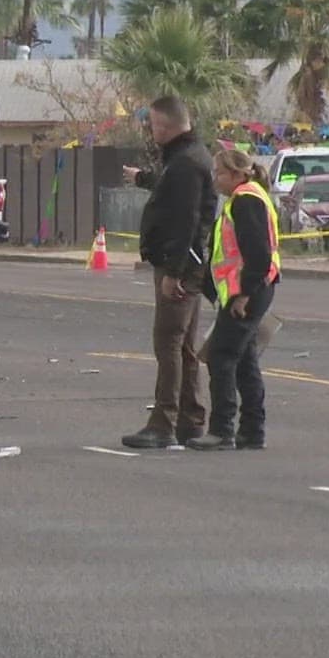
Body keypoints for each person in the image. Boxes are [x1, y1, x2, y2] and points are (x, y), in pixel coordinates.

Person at [120, 96, 218, 450]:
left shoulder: (187, 164)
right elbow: (170, 193)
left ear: (167, 125)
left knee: (169, 344)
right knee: (185, 346)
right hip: (185, 263)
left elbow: (185, 221)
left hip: (182, 265)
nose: (151, 131)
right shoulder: (185, 159)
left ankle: (164, 422)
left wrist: (173, 272)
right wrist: (144, 179)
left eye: (154, 125)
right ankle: (190, 420)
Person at [188, 150, 282, 451]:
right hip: (247, 289)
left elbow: (257, 253)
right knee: (244, 360)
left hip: (248, 290)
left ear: (239, 174)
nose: (216, 179)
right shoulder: (245, 198)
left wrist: (244, 294)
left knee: (222, 356)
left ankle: (222, 429)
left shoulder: (246, 201)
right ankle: (252, 430)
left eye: (220, 173)